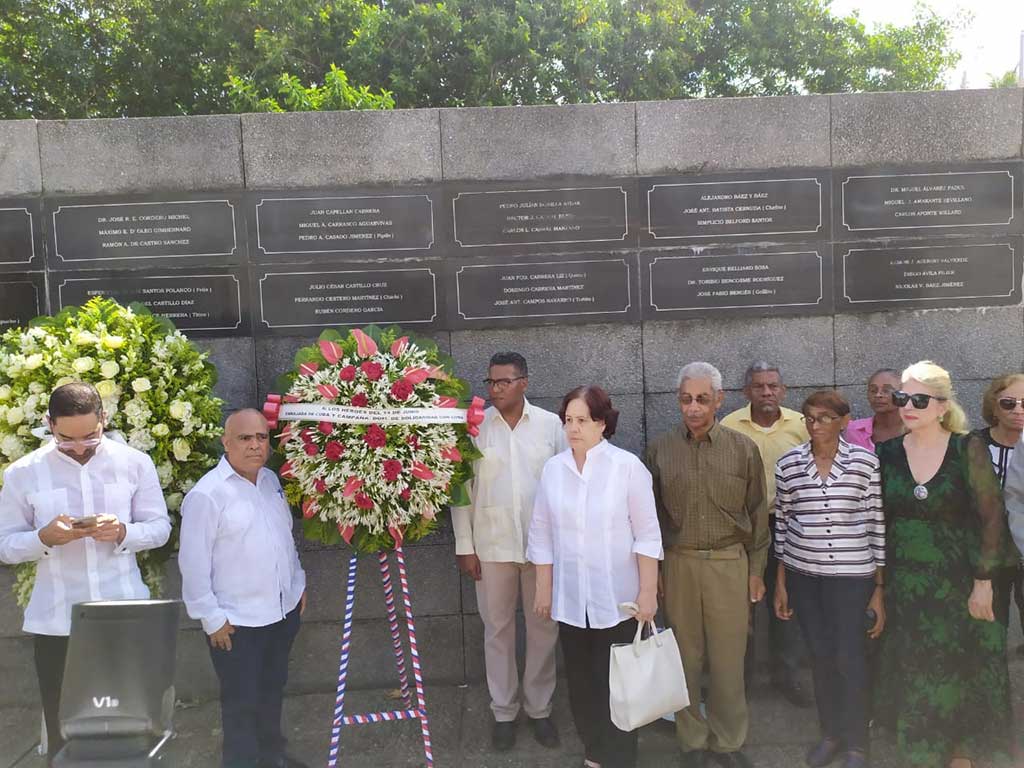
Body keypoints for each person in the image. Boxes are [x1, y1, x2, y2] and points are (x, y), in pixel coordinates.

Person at [0, 382, 171, 765]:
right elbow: (4, 546)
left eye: (90, 437)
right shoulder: (23, 473)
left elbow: (160, 529)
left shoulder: (134, 463)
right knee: (66, 733)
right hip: (58, 622)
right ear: (49, 424)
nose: (78, 447)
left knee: (134, 728)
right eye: (66, 439)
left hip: (125, 614)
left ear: (104, 420)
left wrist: (124, 532)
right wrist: (42, 538)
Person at [873, 361, 1013, 768]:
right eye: (902, 397)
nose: (908, 406)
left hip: (959, 581)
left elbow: (991, 517)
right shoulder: (885, 453)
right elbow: (879, 522)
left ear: (941, 406)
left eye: (919, 399)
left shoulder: (966, 447)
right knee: (916, 666)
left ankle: (961, 752)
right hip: (906, 582)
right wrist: (879, 586)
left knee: (960, 665)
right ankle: (921, 750)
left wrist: (984, 580)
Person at [528, 386, 662, 768]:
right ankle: (593, 753)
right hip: (571, 600)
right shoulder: (554, 470)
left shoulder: (627, 467)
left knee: (617, 687)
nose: (573, 428)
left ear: (602, 423)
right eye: (568, 420)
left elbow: (648, 535)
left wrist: (648, 592)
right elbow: (541, 533)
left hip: (618, 600)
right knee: (583, 686)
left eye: (582, 420)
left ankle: (619, 758)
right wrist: (543, 588)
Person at [645, 362, 768, 768]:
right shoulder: (661, 449)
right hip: (680, 565)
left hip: (730, 564)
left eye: (701, 399)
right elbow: (653, 517)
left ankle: (728, 741)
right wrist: (656, 572)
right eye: (685, 399)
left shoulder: (742, 448)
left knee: (729, 658)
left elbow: (758, 515)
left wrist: (755, 572)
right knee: (685, 657)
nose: (693, 408)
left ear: (719, 399)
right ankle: (692, 741)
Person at [179, 409, 308, 768]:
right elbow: (192, 564)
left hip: (280, 614)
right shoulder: (207, 495)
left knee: (271, 694)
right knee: (241, 704)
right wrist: (211, 619)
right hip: (235, 624)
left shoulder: (270, 481)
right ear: (226, 442)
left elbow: (284, 539)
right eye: (245, 438)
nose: (254, 445)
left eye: (261, 438)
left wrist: (297, 584)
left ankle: (272, 757)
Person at [451, 352, 565, 751]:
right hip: (492, 546)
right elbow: (461, 492)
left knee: (543, 631)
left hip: (543, 550)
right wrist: (465, 546)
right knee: (496, 630)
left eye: (504, 382)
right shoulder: (476, 428)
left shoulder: (552, 426)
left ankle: (540, 710)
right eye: (491, 383)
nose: (495, 389)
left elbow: (567, 485)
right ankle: (503, 712)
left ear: (524, 383)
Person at [773, 391, 885, 768]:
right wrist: (782, 583)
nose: (815, 425)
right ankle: (831, 733)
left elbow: (875, 525)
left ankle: (857, 742)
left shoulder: (865, 464)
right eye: (809, 418)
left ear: (843, 421)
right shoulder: (789, 463)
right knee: (820, 657)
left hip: (853, 579)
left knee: (849, 657)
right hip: (805, 576)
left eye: (823, 418)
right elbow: (784, 526)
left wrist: (879, 591)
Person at [721, 361, 811, 708]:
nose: (767, 392)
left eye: (773, 385)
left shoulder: (800, 426)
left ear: (783, 390)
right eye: (759, 386)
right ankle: (739, 679)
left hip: (789, 526)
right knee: (741, 605)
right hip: (744, 527)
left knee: (784, 605)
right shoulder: (729, 426)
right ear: (747, 392)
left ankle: (786, 675)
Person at [973, 373, 1024, 637]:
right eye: (1008, 403)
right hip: (987, 556)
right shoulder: (972, 445)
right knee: (987, 633)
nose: (1018, 410)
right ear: (994, 405)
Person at [844, 369, 904, 451]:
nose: (878, 395)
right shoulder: (854, 430)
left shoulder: (916, 429)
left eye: (886, 390)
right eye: (873, 390)